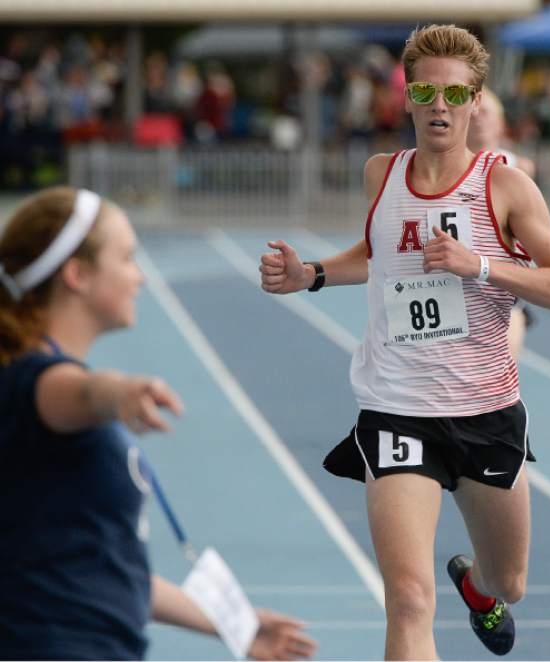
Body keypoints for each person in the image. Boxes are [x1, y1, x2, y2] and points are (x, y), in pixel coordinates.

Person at [260, 24, 550, 661]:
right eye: (426, 92)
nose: (440, 105)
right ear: (406, 99)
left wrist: (482, 267)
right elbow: (377, 254)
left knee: (509, 582)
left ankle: (476, 586)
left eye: (456, 95)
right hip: (397, 408)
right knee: (408, 599)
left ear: (475, 102)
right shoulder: (382, 174)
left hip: (486, 413)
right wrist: (314, 275)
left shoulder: (505, 186)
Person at [0, 186, 317, 661]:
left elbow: (107, 569)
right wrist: (119, 392)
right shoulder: (35, 383)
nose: (140, 276)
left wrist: (236, 625)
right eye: (127, 258)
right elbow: (78, 392)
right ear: (77, 274)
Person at [467, 86, 535, 358]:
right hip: (458, 285)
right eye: (474, 113)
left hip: (502, 285)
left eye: (486, 113)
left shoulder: (520, 167)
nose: (479, 119)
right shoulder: (444, 167)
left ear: (500, 123)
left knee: (502, 365)